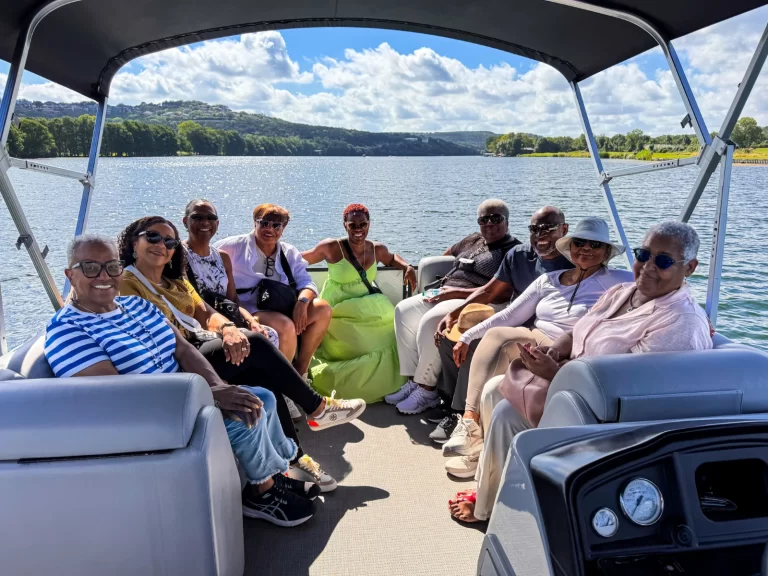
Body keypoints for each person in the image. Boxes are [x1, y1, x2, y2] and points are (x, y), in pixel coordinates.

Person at [45, 234, 320, 527]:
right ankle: (262, 496)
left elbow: (183, 348)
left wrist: (217, 387)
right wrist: (210, 398)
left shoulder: (136, 306)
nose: (104, 276)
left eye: (112, 267)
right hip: (146, 418)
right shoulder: (67, 331)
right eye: (90, 268)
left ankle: (270, 476)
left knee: (260, 396)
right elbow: (118, 398)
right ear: (70, 274)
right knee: (242, 412)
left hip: (182, 397)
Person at [448, 221, 714, 524]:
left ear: (689, 268)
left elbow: (629, 396)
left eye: (664, 261)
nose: (648, 266)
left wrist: (555, 373)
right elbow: (578, 331)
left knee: (507, 412)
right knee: (494, 388)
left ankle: (489, 508)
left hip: (605, 420)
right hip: (573, 386)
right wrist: (555, 351)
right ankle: (494, 482)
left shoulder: (679, 322)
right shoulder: (622, 291)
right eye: (643, 254)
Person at [117, 216, 365, 493]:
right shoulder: (125, 283)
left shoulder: (174, 281)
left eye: (169, 241)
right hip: (177, 362)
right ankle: (316, 408)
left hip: (200, 346)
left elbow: (205, 312)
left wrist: (228, 328)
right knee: (257, 345)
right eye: (152, 237)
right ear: (133, 242)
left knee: (260, 369)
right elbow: (158, 338)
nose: (161, 244)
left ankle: (294, 458)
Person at [434, 217, 631, 477]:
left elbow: (658, 285)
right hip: (535, 338)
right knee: (498, 334)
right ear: (570, 246)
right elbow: (509, 315)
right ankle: (470, 423)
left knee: (499, 366)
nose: (585, 248)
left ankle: (476, 443)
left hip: (569, 349)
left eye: (594, 244)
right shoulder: (549, 280)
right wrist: (467, 336)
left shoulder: (620, 281)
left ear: (606, 252)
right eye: (579, 242)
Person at [386, 199, 521, 414]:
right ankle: (414, 380)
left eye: (496, 218)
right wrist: (443, 283)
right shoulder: (474, 240)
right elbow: (449, 253)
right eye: (483, 219)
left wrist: (455, 292)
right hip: (445, 291)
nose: (489, 224)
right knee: (403, 310)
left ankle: (427, 389)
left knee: (431, 322)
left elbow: (499, 292)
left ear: (507, 220)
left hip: (473, 300)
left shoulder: (512, 250)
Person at [302, 204, 416, 402]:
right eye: (352, 225)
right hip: (339, 309)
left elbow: (391, 258)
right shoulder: (331, 247)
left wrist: (407, 267)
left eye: (363, 224)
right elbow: (299, 261)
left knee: (391, 329)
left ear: (369, 224)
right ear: (345, 225)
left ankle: (395, 385)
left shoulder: (376, 248)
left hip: (368, 305)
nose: (358, 229)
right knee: (362, 342)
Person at [214, 204, 331, 381]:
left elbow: (306, 282)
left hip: (280, 302)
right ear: (255, 222)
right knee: (285, 325)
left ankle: (300, 372)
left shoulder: (289, 252)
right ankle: (282, 382)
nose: (270, 229)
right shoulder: (232, 246)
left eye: (277, 225)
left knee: (323, 309)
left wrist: (302, 303)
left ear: (284, 228)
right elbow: (204, 257)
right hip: (248, 306)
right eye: (264, 223)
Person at [182, 199, 282, 352]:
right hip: (201, 323)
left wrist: (251, 321)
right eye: (197, 217)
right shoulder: (179, 256)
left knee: (268, 333)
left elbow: (233, 299)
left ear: (217, 223)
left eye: (211, 218)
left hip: (227, 317)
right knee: (253, 340)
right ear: (185, 221)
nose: (205, 222)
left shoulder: (222, 257)